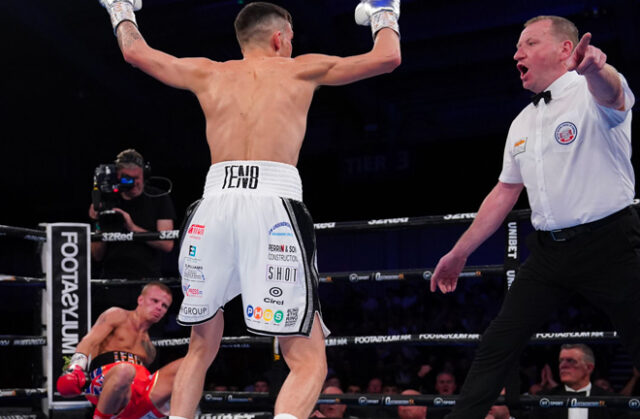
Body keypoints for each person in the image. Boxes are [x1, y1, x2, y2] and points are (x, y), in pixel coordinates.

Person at [96, 1, 401, 418]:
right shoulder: (298, 69)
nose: (292, 47)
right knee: (308, 358)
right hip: (273, 209)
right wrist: (384, 11)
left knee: (200, 347)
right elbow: (387, 57)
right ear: (279, 38)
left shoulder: (209, 72)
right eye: (290, 40)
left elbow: (136, 52)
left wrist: (120, 9)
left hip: (213, 207)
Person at [429, 14, 637, 419]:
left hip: (610, 244)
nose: (516, 53)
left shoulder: (591, 92)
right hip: (548, 254)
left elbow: (615, 95)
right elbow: (505, 192)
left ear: (564, 50)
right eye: (518, 45)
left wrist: (597, 66)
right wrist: (459, 253)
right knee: (497, 343)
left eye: (529, 43)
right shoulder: (521, 122)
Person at [55, 282, 182, 419]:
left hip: (136, 394)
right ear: (140, 300)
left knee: (186, 366)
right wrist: (75, 368)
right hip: (106, 381)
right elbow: (89, 341)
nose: (159, 308)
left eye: (164, 306)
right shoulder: (117, 315)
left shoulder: (150, 349)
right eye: (155, 301)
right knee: (125, 371)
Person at [89, 148, 176, 279]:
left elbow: (167, 244)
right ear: (117, 176)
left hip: (147, 279)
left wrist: (132, 228)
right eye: (127, 179)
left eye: (137, 178)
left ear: (144, 175)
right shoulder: (106, 199)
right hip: (112, 280)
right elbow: (96, 255)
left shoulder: (159, 197)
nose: (134, 184)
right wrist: (99, 223)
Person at [529, 344, 623, 419]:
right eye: (561, 361)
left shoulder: (610, 401)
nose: (563, 365)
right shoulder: (544, 399)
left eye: (570, 361)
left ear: (589, 368)